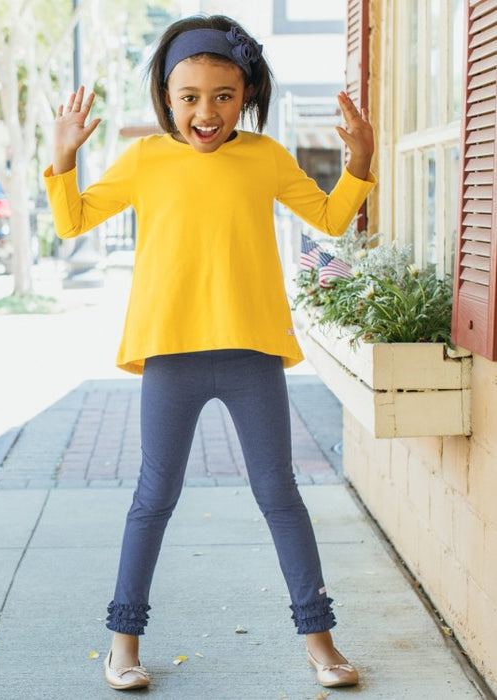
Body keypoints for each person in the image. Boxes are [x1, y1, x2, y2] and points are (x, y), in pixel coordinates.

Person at [44, 14, 375, 693]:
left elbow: (332, 220)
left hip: (252, 351)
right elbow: (72, 220)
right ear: (166, 97)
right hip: (171, 353)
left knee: (279, 494)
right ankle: (122, 645)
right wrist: (64, 156)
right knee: (154, 496)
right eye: (189, 95)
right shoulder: (144, 160)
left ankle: (320, 642)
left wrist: (362, 163)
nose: (205, 111)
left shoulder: (265, 158)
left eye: (223, 95)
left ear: (247, 94)